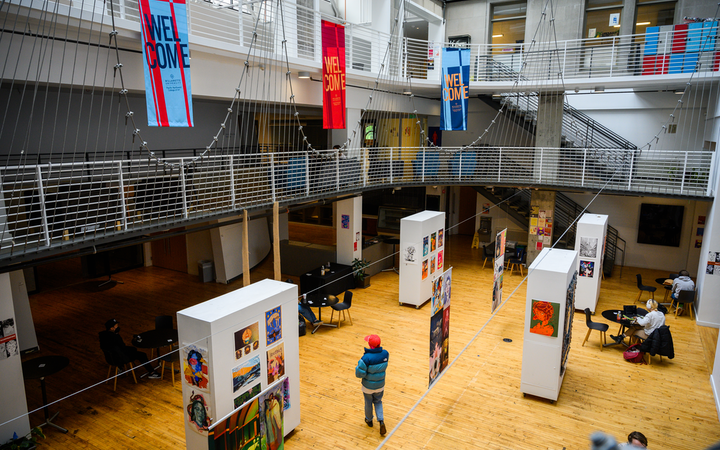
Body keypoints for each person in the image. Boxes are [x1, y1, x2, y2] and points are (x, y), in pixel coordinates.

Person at [355, 334, 389, 436]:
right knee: (378, 401)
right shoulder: (385, 354)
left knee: (368, 402)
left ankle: (369, 420)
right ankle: (381, 420)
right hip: (380, 385)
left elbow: (359, 374)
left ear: (370, 345)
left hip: (368, 387)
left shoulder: (366, 358)